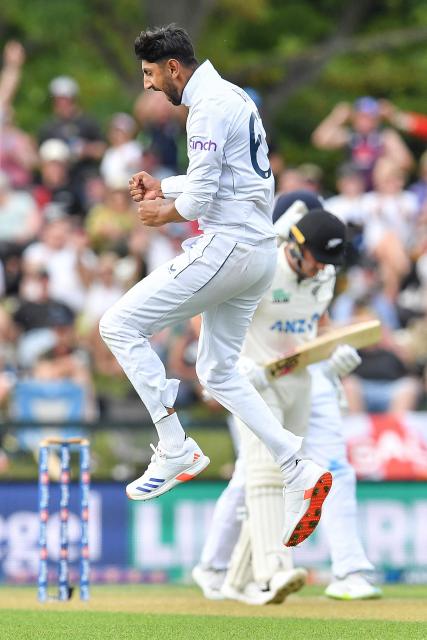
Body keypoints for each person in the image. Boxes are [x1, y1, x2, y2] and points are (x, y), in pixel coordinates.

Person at [99, 24, 332, 548]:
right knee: (218, 371)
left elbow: (202, 200)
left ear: (174, 68)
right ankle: (297, 465)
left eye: (151, 74)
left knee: (117, 325)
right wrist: (167, 186)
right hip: (258, 255)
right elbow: (232, 182)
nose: (149, 85)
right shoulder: (232, 98)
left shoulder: (207, 107)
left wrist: (166, 211)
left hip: (228, 248)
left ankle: (173, 443)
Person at [192, 192, 381, 603]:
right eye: (315, 259)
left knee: (274, 475)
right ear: (294, 245)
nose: (320, 269)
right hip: (250, 381)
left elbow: (313, 328)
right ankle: (273, 571)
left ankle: (233, 576)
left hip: (297, 382)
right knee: (264, 470)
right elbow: (204, 312)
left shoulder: (324, 276)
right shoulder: (259, 268)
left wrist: (333, 354)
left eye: (328, 263)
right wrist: (228, 363)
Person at [311, 97, 413, 190]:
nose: (365, 121)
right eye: (361, 116)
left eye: (369, 117)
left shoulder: (384, 136)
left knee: (386, 164)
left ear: (376, 119)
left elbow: (406, 162)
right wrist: (336, 118)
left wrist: (393, 115)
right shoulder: (349, 135)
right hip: (353, 186)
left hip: (377, 190)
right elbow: (320, 140)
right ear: (354, 117)